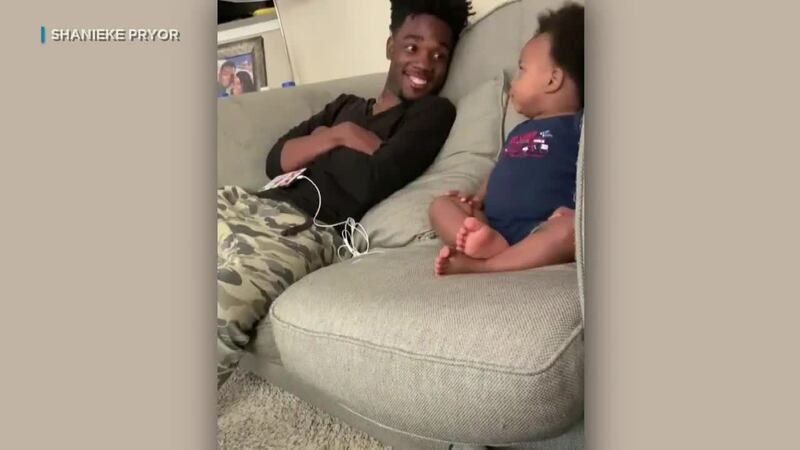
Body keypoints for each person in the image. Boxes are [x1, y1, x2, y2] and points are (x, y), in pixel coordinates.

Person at [217, 0, 475, 387]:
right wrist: (340, 135)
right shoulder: (345, 107)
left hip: (302, 230)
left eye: (439, 55)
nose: (424, 63)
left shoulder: (432, 113)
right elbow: (276, 160)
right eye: (412, 47)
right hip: (253, 201)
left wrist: (316, 145)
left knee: (223, 304)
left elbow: (371, 179)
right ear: (390, 46)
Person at [429, 2, 584, 276]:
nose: (514, 81)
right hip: (491, 225)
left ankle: (485, 265)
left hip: (542, 228)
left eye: (522, 70)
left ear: (552, 80)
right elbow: (500, 169)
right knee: (440, 206)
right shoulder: (519, 131)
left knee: (572, 230)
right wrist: (476, 200)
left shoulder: (579, 125)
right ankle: (487, 245)